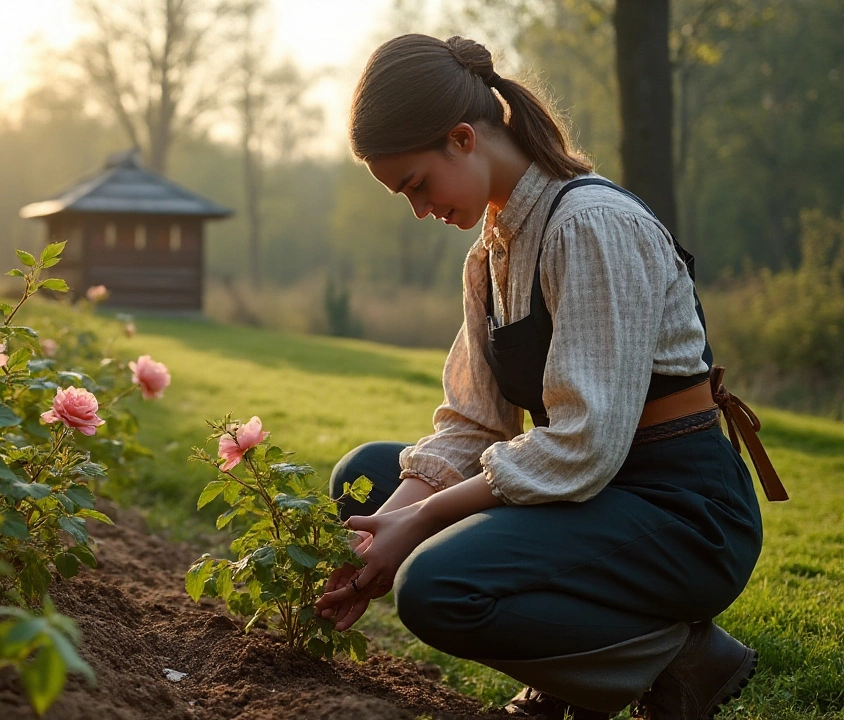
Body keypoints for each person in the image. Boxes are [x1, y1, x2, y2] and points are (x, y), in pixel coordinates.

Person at [313, 34, 787, 720]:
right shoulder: (491, 255)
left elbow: (584, 444)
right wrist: (376, 540)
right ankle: (584, 664)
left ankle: (676, 658)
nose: (419, 209)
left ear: (464, 137)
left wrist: (420, 522)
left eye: (417, 184)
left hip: (681, 514)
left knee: (434, 587)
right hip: (586, 499)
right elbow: (474, 425)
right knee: (365, 483)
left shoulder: (591, 225)